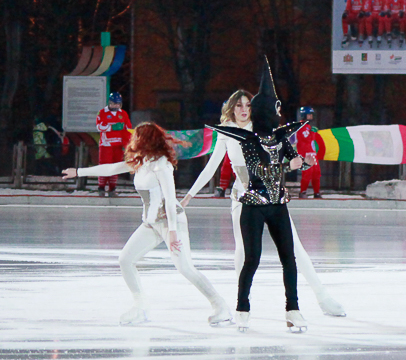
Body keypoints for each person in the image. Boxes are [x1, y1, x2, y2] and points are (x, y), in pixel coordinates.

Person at [64, 122, 234, 327]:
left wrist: (172, 232)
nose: (133, 141)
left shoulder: (162, 164)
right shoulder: (140, 161)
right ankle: (140, 307)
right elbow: (111, 168)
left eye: (137, 137)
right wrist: (78, 172)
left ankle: (220, 306)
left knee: (186, 268)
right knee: (125, 260)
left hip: (172, 221)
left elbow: (171, 200)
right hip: (151, 223)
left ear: (146, 140)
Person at [208, 61, 310, 333]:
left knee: (289, 257)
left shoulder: (281, 137)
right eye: (275, 107)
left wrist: (303, 161)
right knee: (251, 259)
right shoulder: (248, 140)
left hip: (278, 205)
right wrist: (290, 166)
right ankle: (242, 307)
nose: (279, 111)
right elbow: (258, 169)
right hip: (253, 204)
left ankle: (293, 309)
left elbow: (294, 158)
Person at [95, 91, 132, 196]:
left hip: (118, 145)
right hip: (106, 145)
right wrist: (112, 127)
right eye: (113, 103)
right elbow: (99, 127)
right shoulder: (102, 112)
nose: (115, 106)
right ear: (109, 103)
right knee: (104, 166)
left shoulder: (123, 114)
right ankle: (101, 188)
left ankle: (112, 189)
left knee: (116, 167)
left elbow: (128, 128)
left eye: (118, 104)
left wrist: (127, 144)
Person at [296, 106, 322, 198]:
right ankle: (303, 191)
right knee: (307, 174)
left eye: (311, 115)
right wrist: (312, 133)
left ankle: (317, 192)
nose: (311, 116)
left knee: (316, 174)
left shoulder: (308, 127)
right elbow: (306, 139)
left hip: (312, 154)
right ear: (304, 115)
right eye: (309, 114)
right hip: (306, 154)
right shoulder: (301, 126)